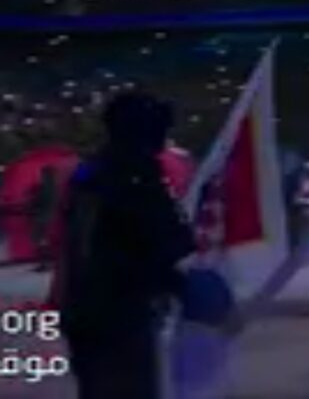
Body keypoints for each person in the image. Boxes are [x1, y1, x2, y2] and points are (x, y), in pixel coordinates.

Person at [56, 92, 196, 399]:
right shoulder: (134, 173)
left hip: (85, 304)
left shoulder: (91, 169)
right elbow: (158, 237)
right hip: (119, 306)